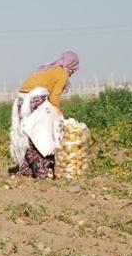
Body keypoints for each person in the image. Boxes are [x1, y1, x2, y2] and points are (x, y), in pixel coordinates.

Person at [10, 51, 80, 179]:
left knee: (27, 135)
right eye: (73, 69)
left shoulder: (50, 68)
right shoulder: (62, 74)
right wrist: (59, 113)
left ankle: (27, 170)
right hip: (35, 101)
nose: (72, 72)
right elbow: (54, 98)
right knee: (42, 136)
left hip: (21, 101)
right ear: (70, 65)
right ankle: (42, 171)